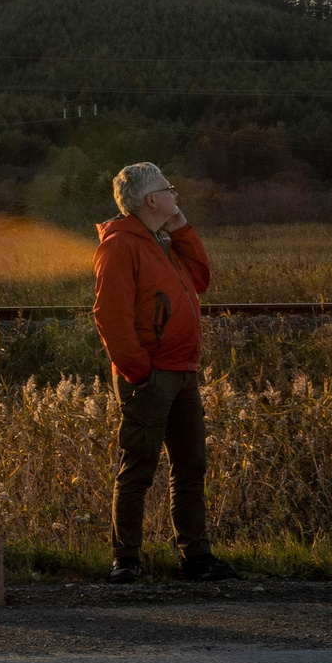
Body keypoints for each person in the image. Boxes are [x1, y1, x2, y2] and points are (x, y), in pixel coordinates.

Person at [93, 162, 236, 583]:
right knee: (139, 466)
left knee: (191, 467)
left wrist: (182, 229)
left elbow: (201, 279)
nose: (175, 194)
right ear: (150, 199)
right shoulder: (121, 245)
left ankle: (196, 557)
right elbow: (109, 316)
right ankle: (126, 560)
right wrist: (140, 372)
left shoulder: (162, 241)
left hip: (183, 370)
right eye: (168, 189)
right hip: (151, 375)